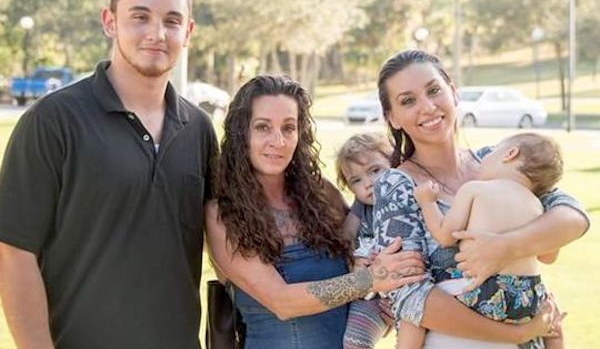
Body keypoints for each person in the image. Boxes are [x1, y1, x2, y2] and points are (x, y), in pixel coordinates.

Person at [0, 0, 218, 349]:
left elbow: (227, 241)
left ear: (188, 32)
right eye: (140, 17)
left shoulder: (199, 129)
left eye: (171, 20)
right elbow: (14, 251)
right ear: (109, 21)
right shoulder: (52, 121)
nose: (157, 33)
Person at [372, 49, 590, 349]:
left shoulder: (499, 161)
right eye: (408, 101)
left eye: (434, 90)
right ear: (392, 118)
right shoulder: (397, 185)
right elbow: (410, 297)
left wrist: (504, 246)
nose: (428, 106)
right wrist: (516, 335)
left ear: (454, 92)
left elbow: (572, 217)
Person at [205, 74, 426, 349]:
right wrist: (371, 279)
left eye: (289, 127)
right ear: (242, 134)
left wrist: (387, 305)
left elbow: (367, 254)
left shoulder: (321, 194)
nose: (279, 141)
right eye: (262, 127)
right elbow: (282, 302)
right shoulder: (223, 215)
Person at [408, 132, 565, 349]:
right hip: (528, 299)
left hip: (484, 293)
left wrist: (427, 202)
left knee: (415, 307)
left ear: (510, 154)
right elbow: (548, 256)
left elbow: (445, 236)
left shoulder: (475, 189)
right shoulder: (538, 206)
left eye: (492, 151)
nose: (484, 158)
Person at [334, 132, 396, 348]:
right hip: (372, 293)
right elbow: (345, 238)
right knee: (353, 342)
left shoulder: (408, 195)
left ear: (394, 163)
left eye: (375, 171)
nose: (368, 184)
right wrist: (353, 261)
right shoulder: (362, 207)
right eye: (356, 180)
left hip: (410, 283)